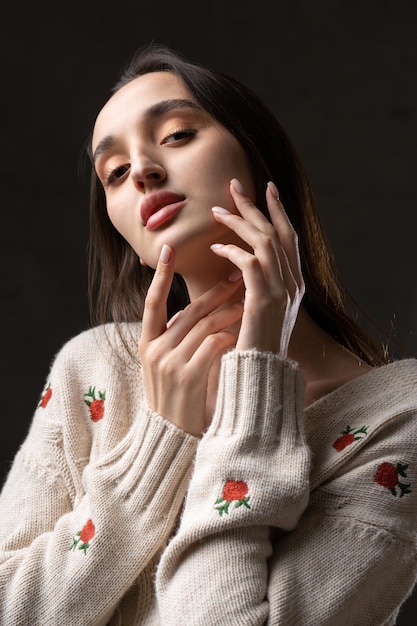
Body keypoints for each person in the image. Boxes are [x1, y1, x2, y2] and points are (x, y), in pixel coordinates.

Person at [0, 43, 416, 626]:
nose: (141, 169)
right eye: (115, 173)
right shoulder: (91, 368)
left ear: (259, 160)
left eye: (175, 135)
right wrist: (157, 443)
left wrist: (254, 388)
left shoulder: (401, 416)